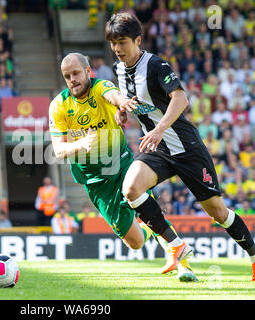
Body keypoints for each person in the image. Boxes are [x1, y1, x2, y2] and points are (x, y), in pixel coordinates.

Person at [105, 12, 255, 281]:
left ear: (138, 40)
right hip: (156, 147)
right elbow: (133, 102)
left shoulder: (156, 65)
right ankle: (176, 245)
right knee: (131, 189)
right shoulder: (119, 69)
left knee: (217, 212)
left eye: (122, 42)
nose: (118, 49)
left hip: (185, 145)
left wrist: (158, 129)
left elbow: (180, 99)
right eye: (113, 43)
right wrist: (121, 112)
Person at [49, 52, 197, 282]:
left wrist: (123, 103)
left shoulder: (100, 87)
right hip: (96, 182)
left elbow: (113, 95)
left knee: (144, 204)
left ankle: (183, 264)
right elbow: (58, 150)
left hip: (122, 164)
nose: (72, 79)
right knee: (136, 242)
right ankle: (153, 230)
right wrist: (80, 144)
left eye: (76, 73)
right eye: (67, 76)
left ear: (89, 72)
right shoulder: (59, 105)